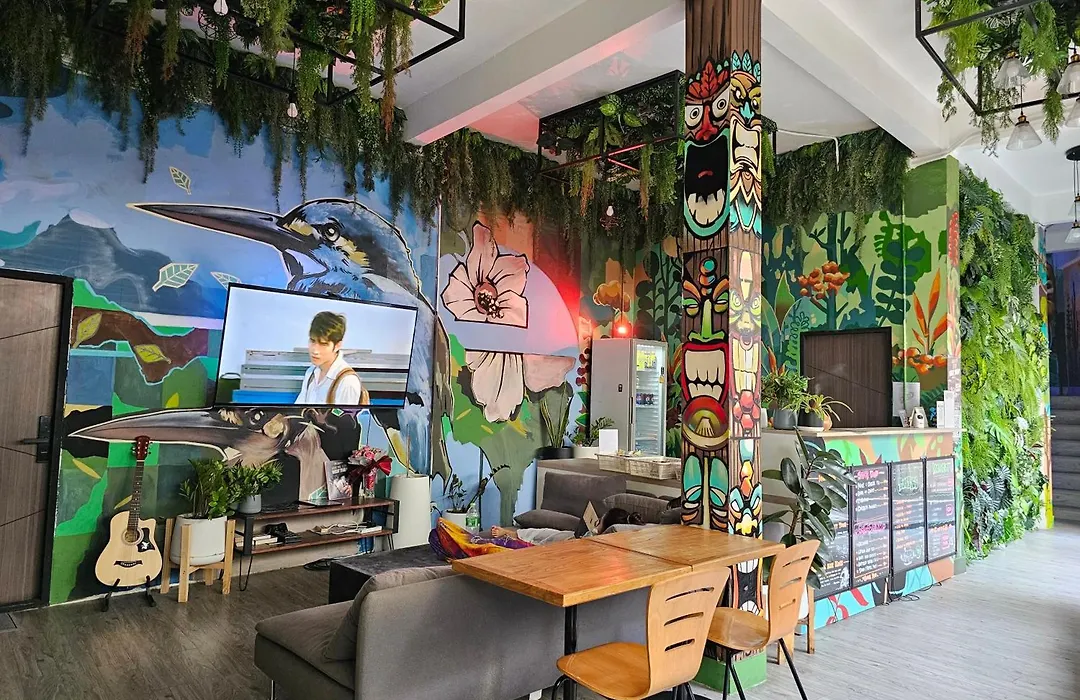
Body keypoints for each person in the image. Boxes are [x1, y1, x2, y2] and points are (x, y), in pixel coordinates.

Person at [295, 311, 364, 405]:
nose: (315, 350)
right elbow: (298, 409)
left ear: (337, 346)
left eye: (323, 344)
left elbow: (345, 415)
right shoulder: (311, 372)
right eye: (312, 341)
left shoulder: (347, 381)